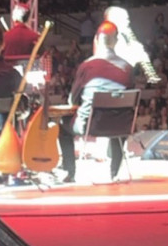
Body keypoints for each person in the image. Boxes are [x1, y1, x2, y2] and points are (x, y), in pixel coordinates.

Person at [57, 20, 135, 183]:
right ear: (116, 41)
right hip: (121, 126)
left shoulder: (87, 66)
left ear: (97, 40)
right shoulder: (128, 68)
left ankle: (70, 172)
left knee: (63, 126)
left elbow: (73, 100)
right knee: (118, 117)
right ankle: (114, 172)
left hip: (90, 126)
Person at [2, 2, 39, 66]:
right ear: (27, 18)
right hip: (28, 70)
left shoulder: (4, 37)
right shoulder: (35, 37)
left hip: (8, 70)